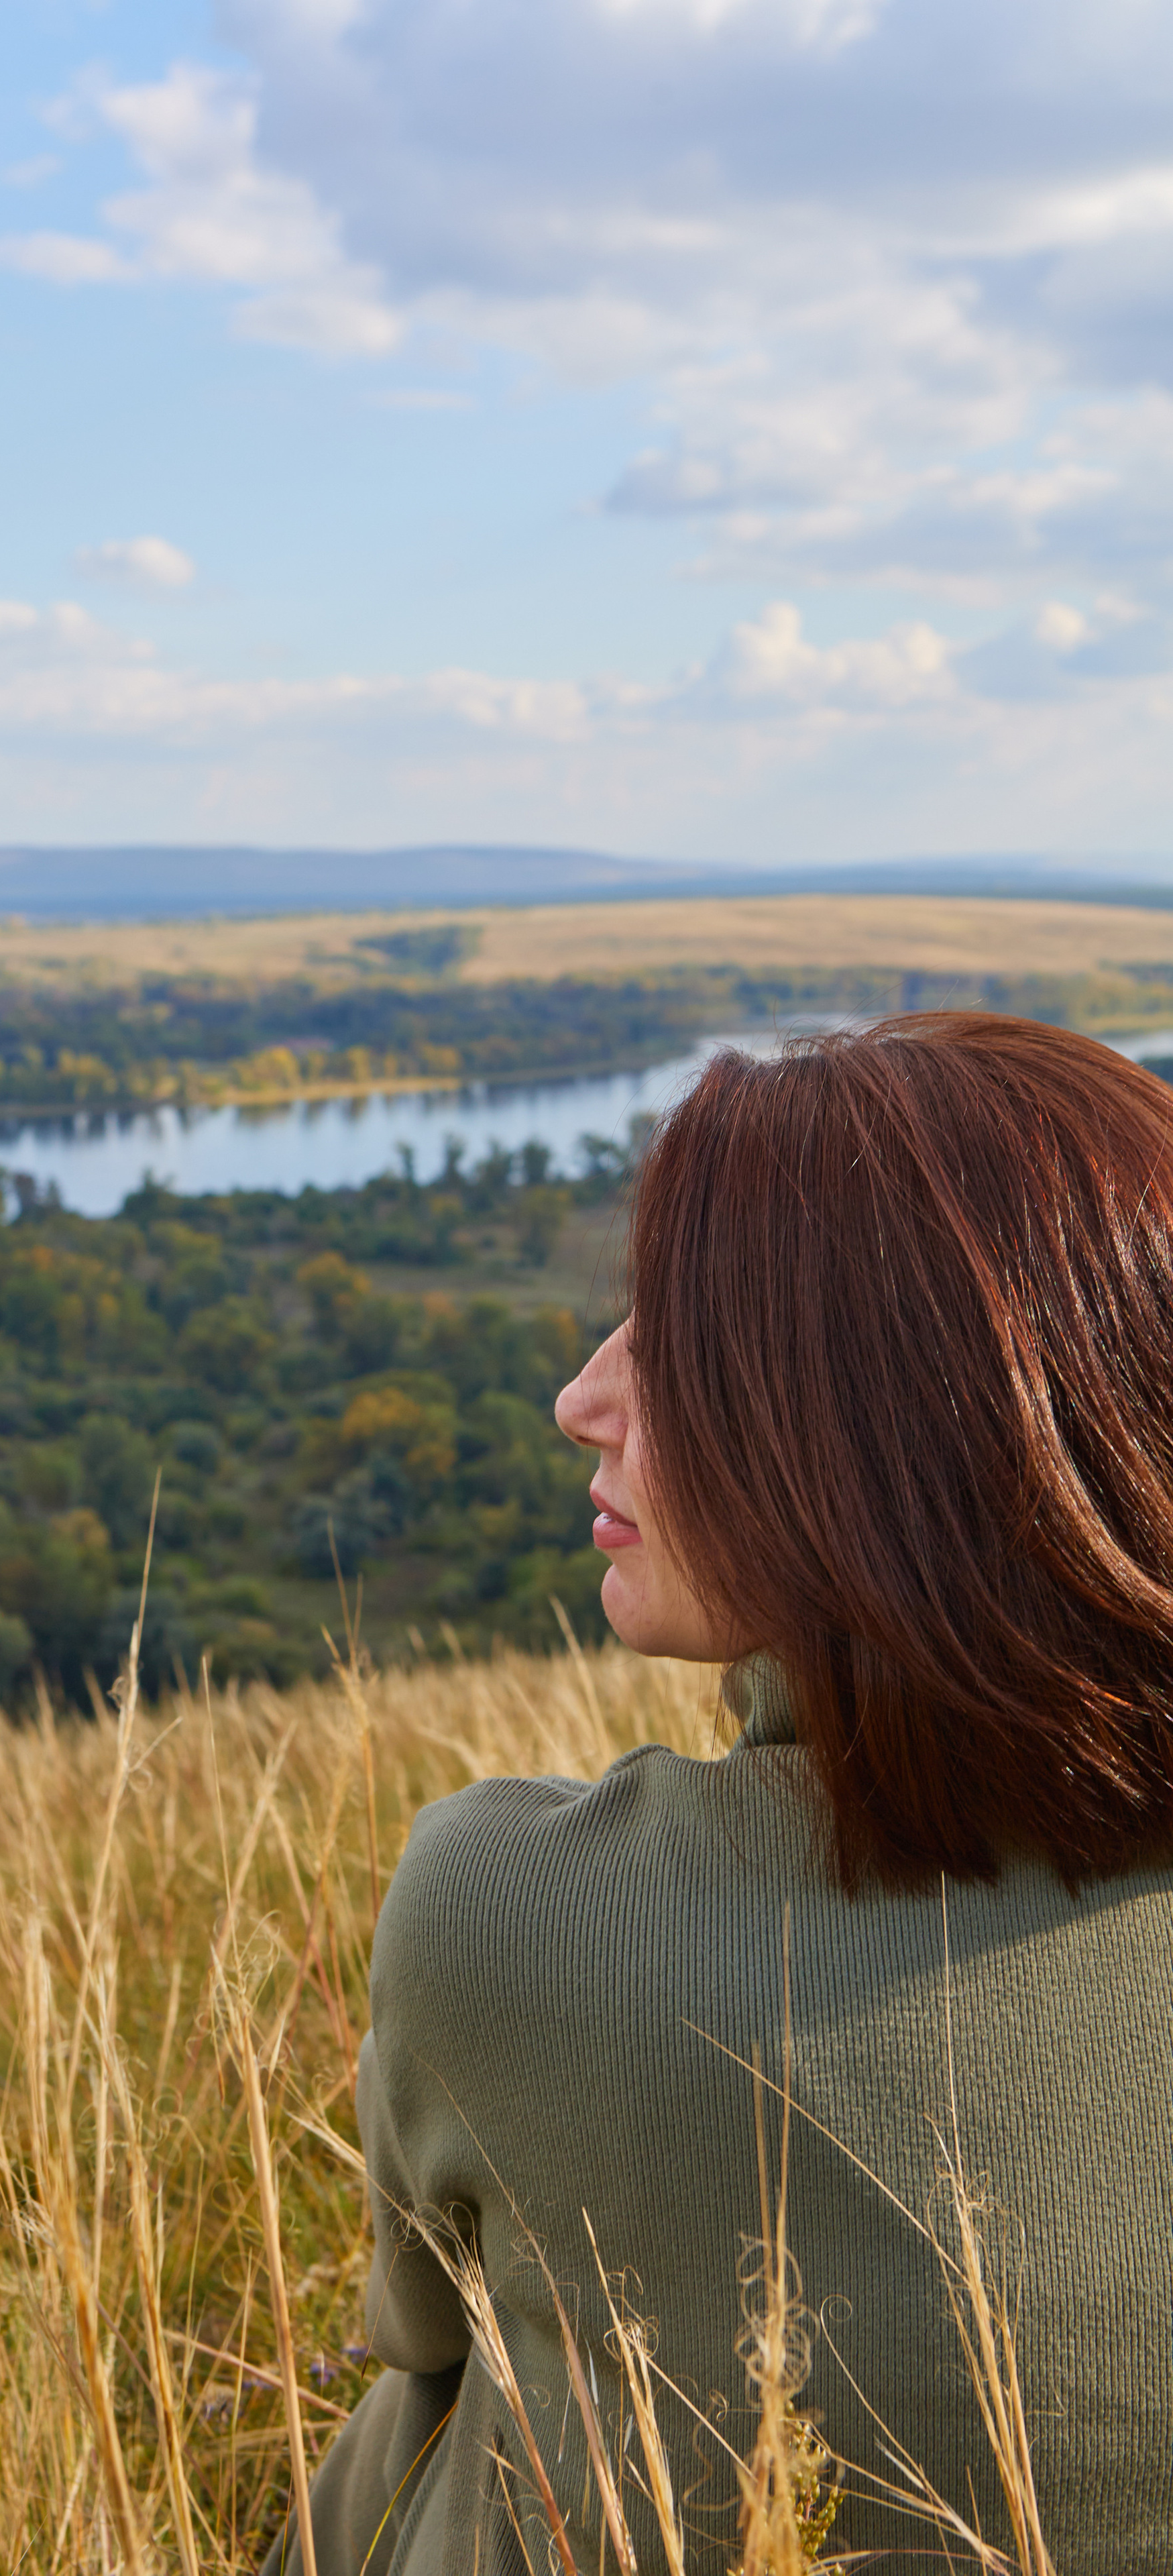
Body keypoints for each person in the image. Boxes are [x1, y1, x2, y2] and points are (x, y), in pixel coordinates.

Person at [265, 1014, 1173, 2576]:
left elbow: (412, 2325)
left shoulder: (512, 1913)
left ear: (868, 1429)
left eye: (676, 1340)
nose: (582, 1397)